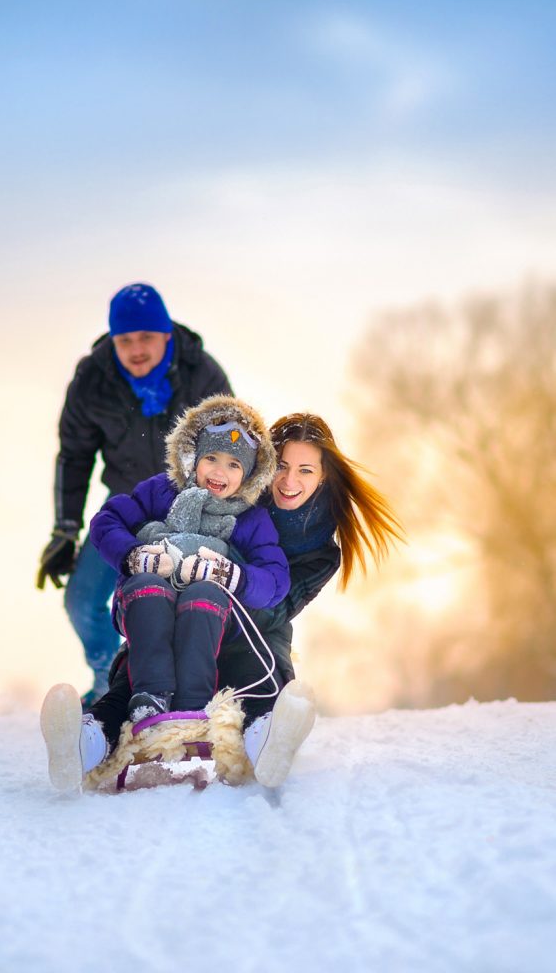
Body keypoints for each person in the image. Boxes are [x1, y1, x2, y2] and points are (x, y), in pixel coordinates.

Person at [40, 394, 290, 790]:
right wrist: (133, 555)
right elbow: (108, 520)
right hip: (146, 606)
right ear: (193, 457)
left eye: (234, 464)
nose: (219, 472)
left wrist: (232, 575)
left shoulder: (250, 519)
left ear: (250, 475)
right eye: (212, 458)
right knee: (148, 585)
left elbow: (275, 579)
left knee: (203, 592)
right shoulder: (161, 491)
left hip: (211, 621)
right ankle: (115, 722)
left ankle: (192, 707)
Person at [36, 283, 232, 706]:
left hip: (192, 510)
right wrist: (65, 529)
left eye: (146, 337)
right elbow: (74, 456)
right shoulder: (93, 379)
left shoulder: (202, 373)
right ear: (113, 341)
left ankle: (196, 692)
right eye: (125, 340)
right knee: (82, 600)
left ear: (165, 334)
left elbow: (233, 448)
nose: (136, 349)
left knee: (185, 602)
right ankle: (111, 678)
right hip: (127, 510)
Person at [218, 411, 404, 785]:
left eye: (305, 470)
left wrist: (229, 606)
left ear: (323, 477)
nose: (289, 481)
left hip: (258, 625)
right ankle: (97, 729)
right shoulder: (238, 501)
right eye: (283, 466)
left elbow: (279, 608)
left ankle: (268, 736)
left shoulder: (322, 550)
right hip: (199, 600)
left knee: (270, 658)